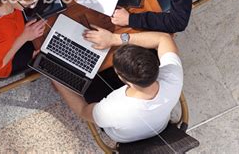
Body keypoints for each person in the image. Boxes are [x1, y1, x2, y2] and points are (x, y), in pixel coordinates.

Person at [53, 27, 183, 143]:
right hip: (156, 125)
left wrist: (55, 78)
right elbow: (164, 38)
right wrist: (113, 39)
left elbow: (82, 110)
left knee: (89, 78)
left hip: (121, 130)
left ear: (121, 78)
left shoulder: (110, 110)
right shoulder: (173, 76)